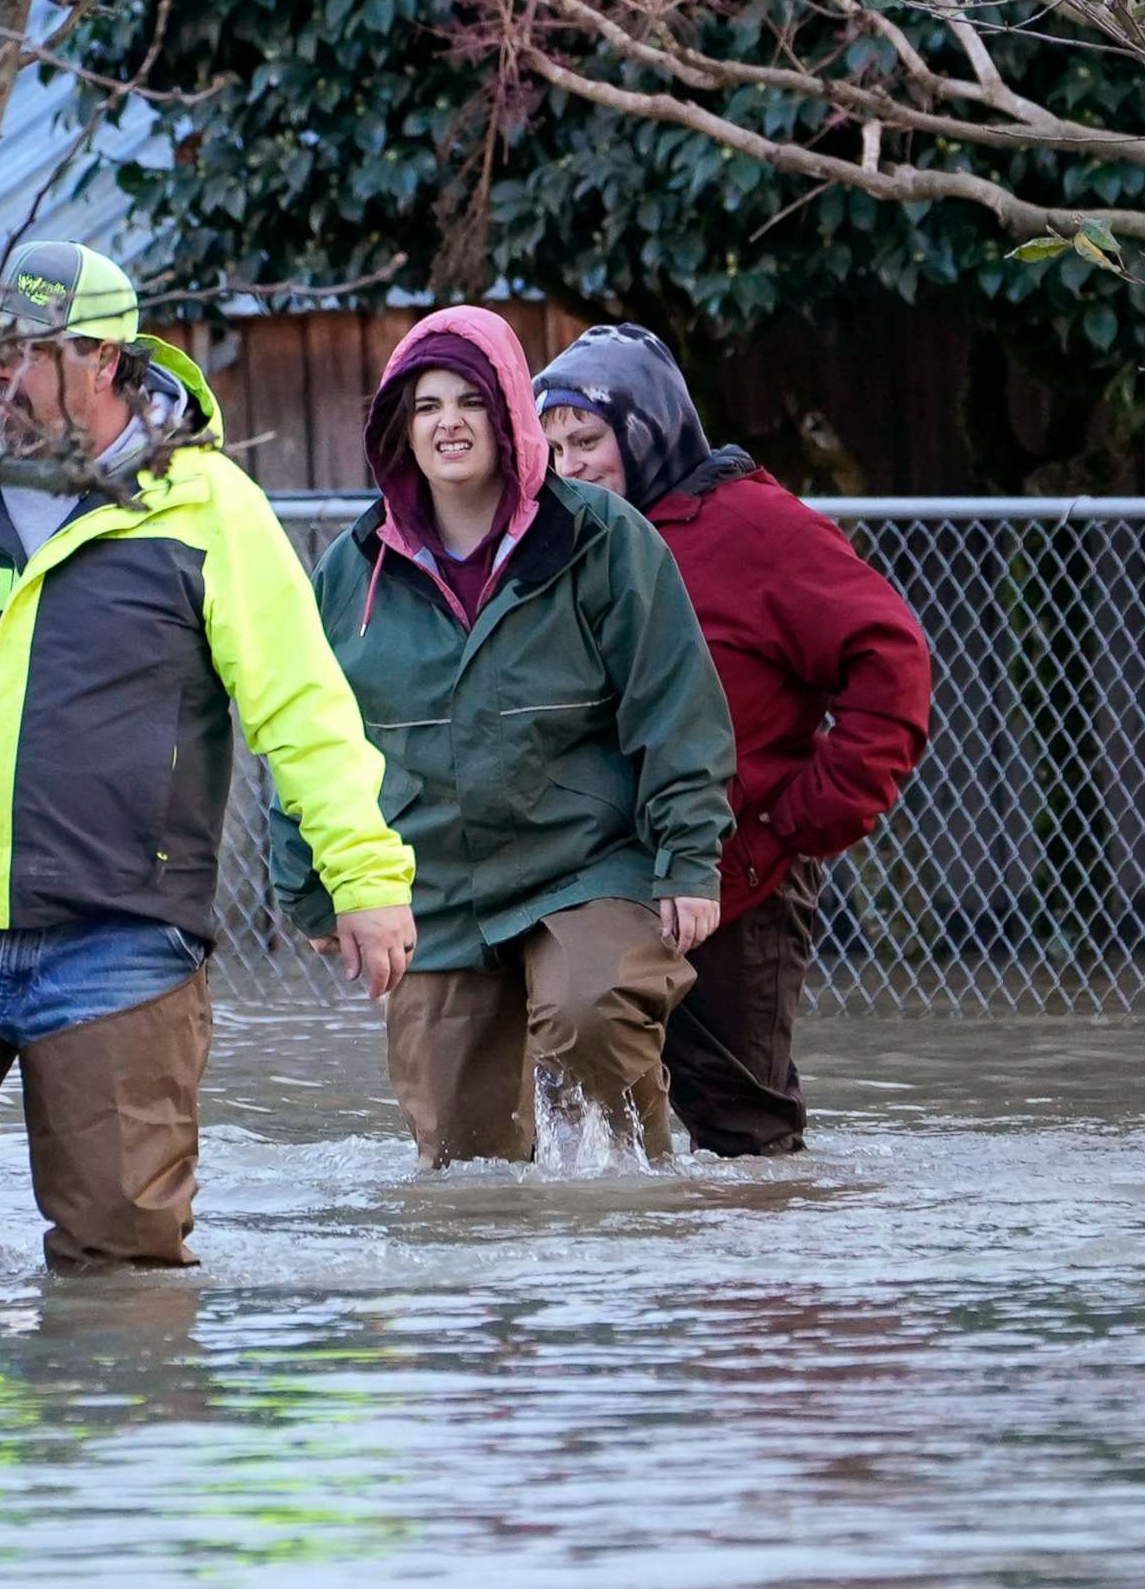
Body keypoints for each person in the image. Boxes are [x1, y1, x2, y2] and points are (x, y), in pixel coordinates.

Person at [0, 239, 416, 1268]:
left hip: (120, 936)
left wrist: (363, 874)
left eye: (27, 349)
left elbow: (301, 704)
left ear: (105, 358)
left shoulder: (205, 505)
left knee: (122, 1251)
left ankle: (97, 1417)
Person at [269, 306, 735, 1166]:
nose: (448, 422)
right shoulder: (352, 569)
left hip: (583, 860)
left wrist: (689, 855)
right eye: (425, 406)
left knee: (591, 1010)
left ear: (510, 412)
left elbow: (675, 702)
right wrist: (310, 885)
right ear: (399, 431)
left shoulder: (598, 535)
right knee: (463, 1170)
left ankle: (648, 1207)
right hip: (435, 885)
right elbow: (303, 729)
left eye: (470, 401)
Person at [534, 324, 930, 1157]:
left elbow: (892, 660)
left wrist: (795, 823)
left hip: (736, 886)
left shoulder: (756, 527)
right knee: (580, 1144)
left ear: (647, 433)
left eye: (589, 441)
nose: (569, 463)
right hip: (583, 883)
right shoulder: (558, 535)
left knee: (746, 1147)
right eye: (554, 444)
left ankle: (762, 1291)